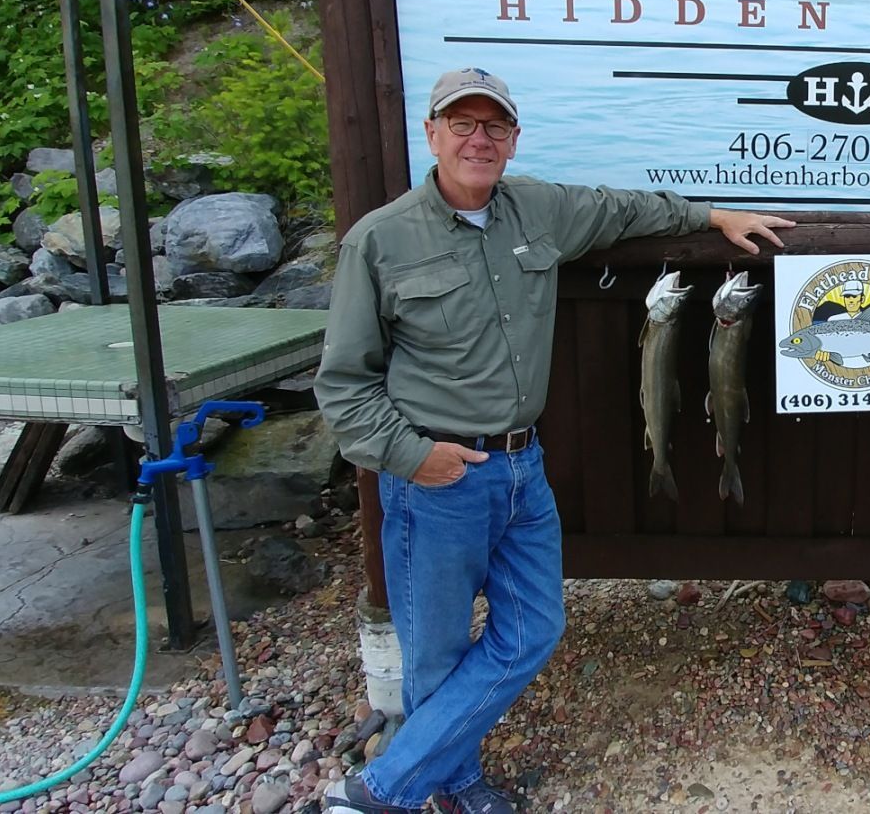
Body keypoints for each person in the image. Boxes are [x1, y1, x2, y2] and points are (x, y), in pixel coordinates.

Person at [314, 67, 793, 814]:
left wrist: (711, 213)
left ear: (513, 138)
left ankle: (380, 790)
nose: (479, 139)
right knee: (435, 654)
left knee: (534, 627)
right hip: (434, 476)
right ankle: (446, 784)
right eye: (462, 124)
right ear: (432, 133)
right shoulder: (378, 241)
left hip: (522, 468)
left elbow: (628, 207)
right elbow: (343, 384)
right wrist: (416, 457)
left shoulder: (538, 207)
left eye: (494, 126)